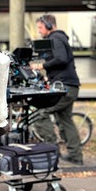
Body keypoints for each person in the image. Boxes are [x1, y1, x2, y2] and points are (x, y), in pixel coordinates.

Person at [32, 14, 83, 165]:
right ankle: (76, 156)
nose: (39, 31)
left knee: (40, 114)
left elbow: (61, 59)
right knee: (65, 120)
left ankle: (53, 152)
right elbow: (62, 63)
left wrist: (42, 66)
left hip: (65, 88)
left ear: (49, 25)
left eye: (40, 27)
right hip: (69, 86)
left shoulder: (55, 38)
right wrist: (50, 78)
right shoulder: (60, 38)